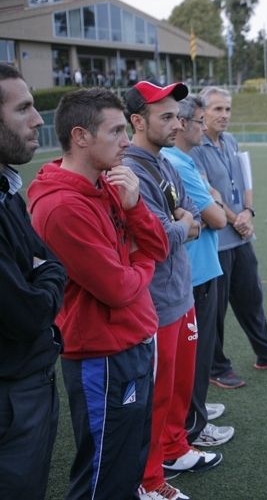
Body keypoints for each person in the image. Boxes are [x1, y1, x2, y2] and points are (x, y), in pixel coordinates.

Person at [28, 87, 169, 499]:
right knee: (102, 475)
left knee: (126, 466)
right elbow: (119, 289)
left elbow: (158, 245)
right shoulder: (61, 207)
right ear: (81, 137)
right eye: (116, 131)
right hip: (102, 357)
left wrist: (134, 205)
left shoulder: (108, 182)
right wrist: (140, 263)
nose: (126, 141)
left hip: (132, 341)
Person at [122, 81, 221, 500]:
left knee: (179, 386)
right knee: (156, 396)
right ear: (137, 121)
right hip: (156, 301)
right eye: (165, 116)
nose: (176, 122)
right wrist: (181, 223)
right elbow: (164, 233)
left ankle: (175, 448)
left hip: (180, 292)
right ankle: (149, 481)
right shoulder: (133, 168)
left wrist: (180, 222)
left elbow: (187, 213)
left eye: (176, 114)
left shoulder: (163, 162)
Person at [190, 86, 267, 390]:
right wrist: (235, 220)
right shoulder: (195, 147)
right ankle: (215, 366)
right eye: (217, 110)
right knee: (215, 308)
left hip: (241, 235)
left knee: (251, 297)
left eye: (227, 109)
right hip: (218, 240)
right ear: (203, 112)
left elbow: (243, 182)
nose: (224, 115)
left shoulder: (230, 141)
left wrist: (248, 213)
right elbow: (205, 194)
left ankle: (265, 352)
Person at [0, 64, 66, 500]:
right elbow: (25, 312)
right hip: (13, 395)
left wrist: (44, 273)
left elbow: (52, 263)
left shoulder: (8, 191)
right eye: (23, 108)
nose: (39, 118)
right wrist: (45, 275)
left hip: (30, 383)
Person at [162, 95, 235, 448]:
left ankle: (196, 411)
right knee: (193, 355)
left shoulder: (182, 161)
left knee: (197, 353)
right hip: (194, 274)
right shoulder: (177, 162)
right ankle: (194, 424)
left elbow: (208, 214)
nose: (203, 128)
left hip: (200, 269)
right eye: (198, 121)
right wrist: (211, 205)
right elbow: (218, 218)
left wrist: (209, 206)